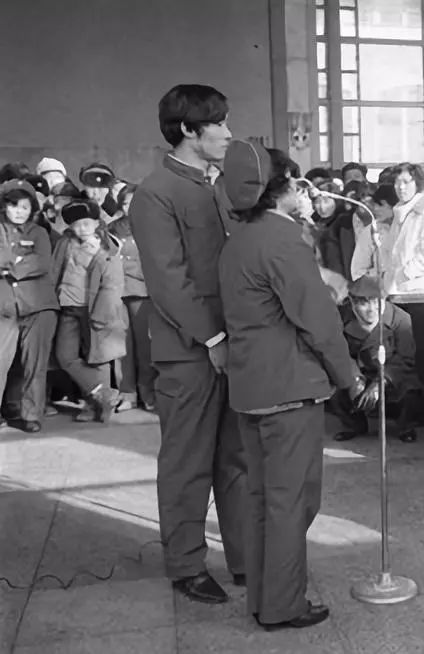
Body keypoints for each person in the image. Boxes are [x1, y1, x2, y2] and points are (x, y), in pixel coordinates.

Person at [218, 140, 357, 631]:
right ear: (279, 190)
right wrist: (351, 376)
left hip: (252, 388)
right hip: (289, 390)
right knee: (292, 501)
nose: (305, 190)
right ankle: (283, 605)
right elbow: (317, 320)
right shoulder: (283, 241)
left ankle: (263, 596)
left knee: (263, 499)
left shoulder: (241, 238)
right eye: (298, 181)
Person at [129, 84, 246, 604]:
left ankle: (245, 556)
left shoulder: (219, 187)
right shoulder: (155, 194)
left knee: (237, 458)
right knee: (187, 461)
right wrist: (214, 337)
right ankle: (185, 564)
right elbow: (168, 281)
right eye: (216, 124)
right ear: (187, 131)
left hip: (237, 345)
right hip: (189, 352)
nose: (227, 132)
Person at [381, 163, 424, 423]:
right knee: (400, 354)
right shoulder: (400, 214)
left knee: (421, 354)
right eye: (398, 182)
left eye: (407, 181)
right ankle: (405, 406)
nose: (401, 186)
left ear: (418, 184)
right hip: (397, 293)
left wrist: (405, 272)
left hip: (419, 294)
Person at [51, 198, 126, 423]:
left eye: (85, 223)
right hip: (67, 306)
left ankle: (95, 406)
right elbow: (56, 269)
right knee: (65, 357)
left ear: (96, 223)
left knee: (96, 358)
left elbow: (112, 285)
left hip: (93, 309)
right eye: (75, 225)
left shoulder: (106, 248)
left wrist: (102, 315)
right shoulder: (66, 243)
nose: (80, 229)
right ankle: (102, 393)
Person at [330, 275, 424, 443]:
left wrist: (381, 382)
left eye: (376, 302)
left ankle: (405, 426)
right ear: (351, 302)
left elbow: (406, 359)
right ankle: (353, 425)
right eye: (364, 303)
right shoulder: (339, 318)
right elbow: (336, 351)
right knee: (335, 385)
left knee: (412, 390)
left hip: (390, 376)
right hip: (359, 374)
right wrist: (354, 379)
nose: (371, 309)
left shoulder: (400, 319)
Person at [0, 180, 58, 433]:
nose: (19, 211)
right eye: (13, 206)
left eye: (24, 206)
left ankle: (31, 414)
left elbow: (43, 262)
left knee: (35, 364)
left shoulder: (39, 233)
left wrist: (10, 267)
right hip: (5, 308)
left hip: (39, 307)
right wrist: (22, 260)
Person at [109, 184, 155, 412]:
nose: (131, 207)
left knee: (145, 346)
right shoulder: (110, 229)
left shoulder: (153, 228)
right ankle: (127, 393)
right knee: (122, 346)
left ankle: (148, 392)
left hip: (142, 293)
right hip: (117, 293)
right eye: (126, 203)